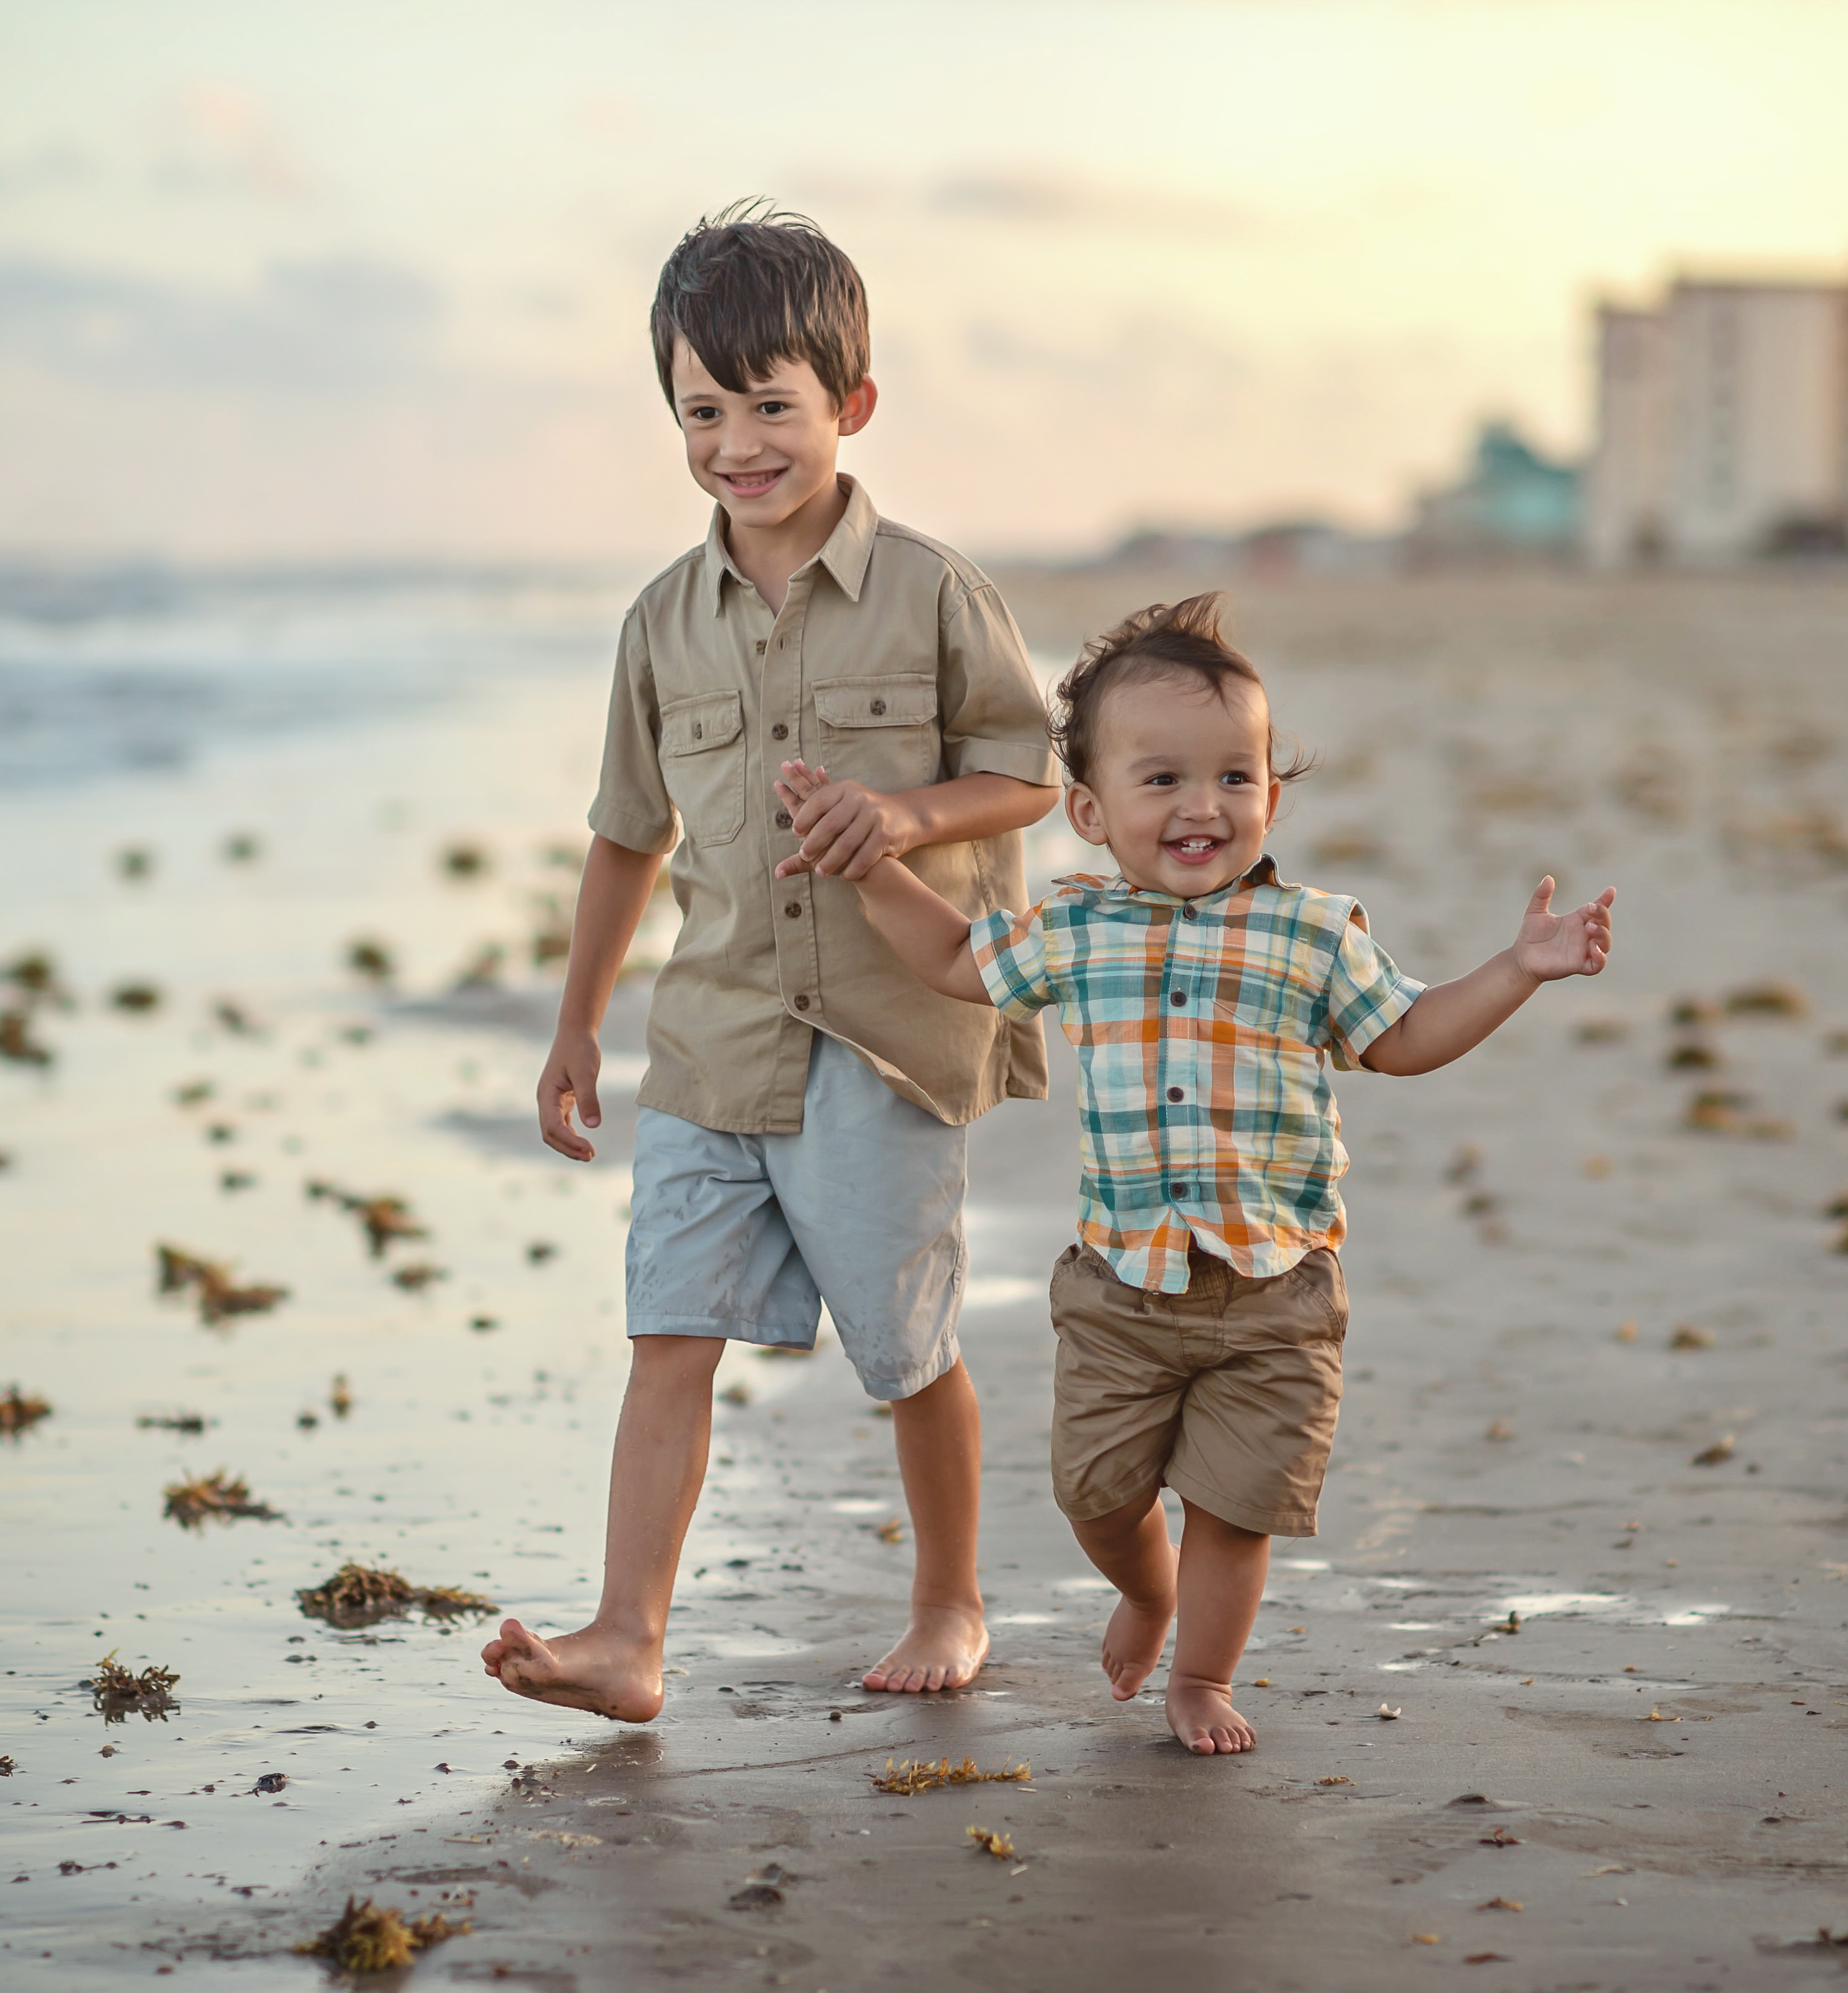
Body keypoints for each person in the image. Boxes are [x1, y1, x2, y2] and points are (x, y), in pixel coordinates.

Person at [782, 592, 1615, 1753]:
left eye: (1235, 777)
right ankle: (1148, 1590)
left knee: (1238, 1507)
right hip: (1121, 1291)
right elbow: (952, 961)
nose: (1201, 805)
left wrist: (1518, 969)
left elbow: (1404, 1037)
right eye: (1161, 779)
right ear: (1089, 809)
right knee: (1098, 1495)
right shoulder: (1076, 930)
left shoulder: (1315, 933)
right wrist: (873, 863)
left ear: (1271, 796)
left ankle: (1203, 1678)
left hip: (1275, 1294)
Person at [481, 204, 1059, 1723]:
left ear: (850, 406)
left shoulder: (937, 591)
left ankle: (950, 1595)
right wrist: (574, 1034)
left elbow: (1026, 768)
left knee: (904, 1343)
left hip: (884, 1035)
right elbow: (625, 833)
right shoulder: (661, 622)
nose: (739, 442)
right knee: (667, 1328)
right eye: (703, 410)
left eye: (772, 407)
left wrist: (905, 813)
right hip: (712, 1037)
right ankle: (626, 1635)